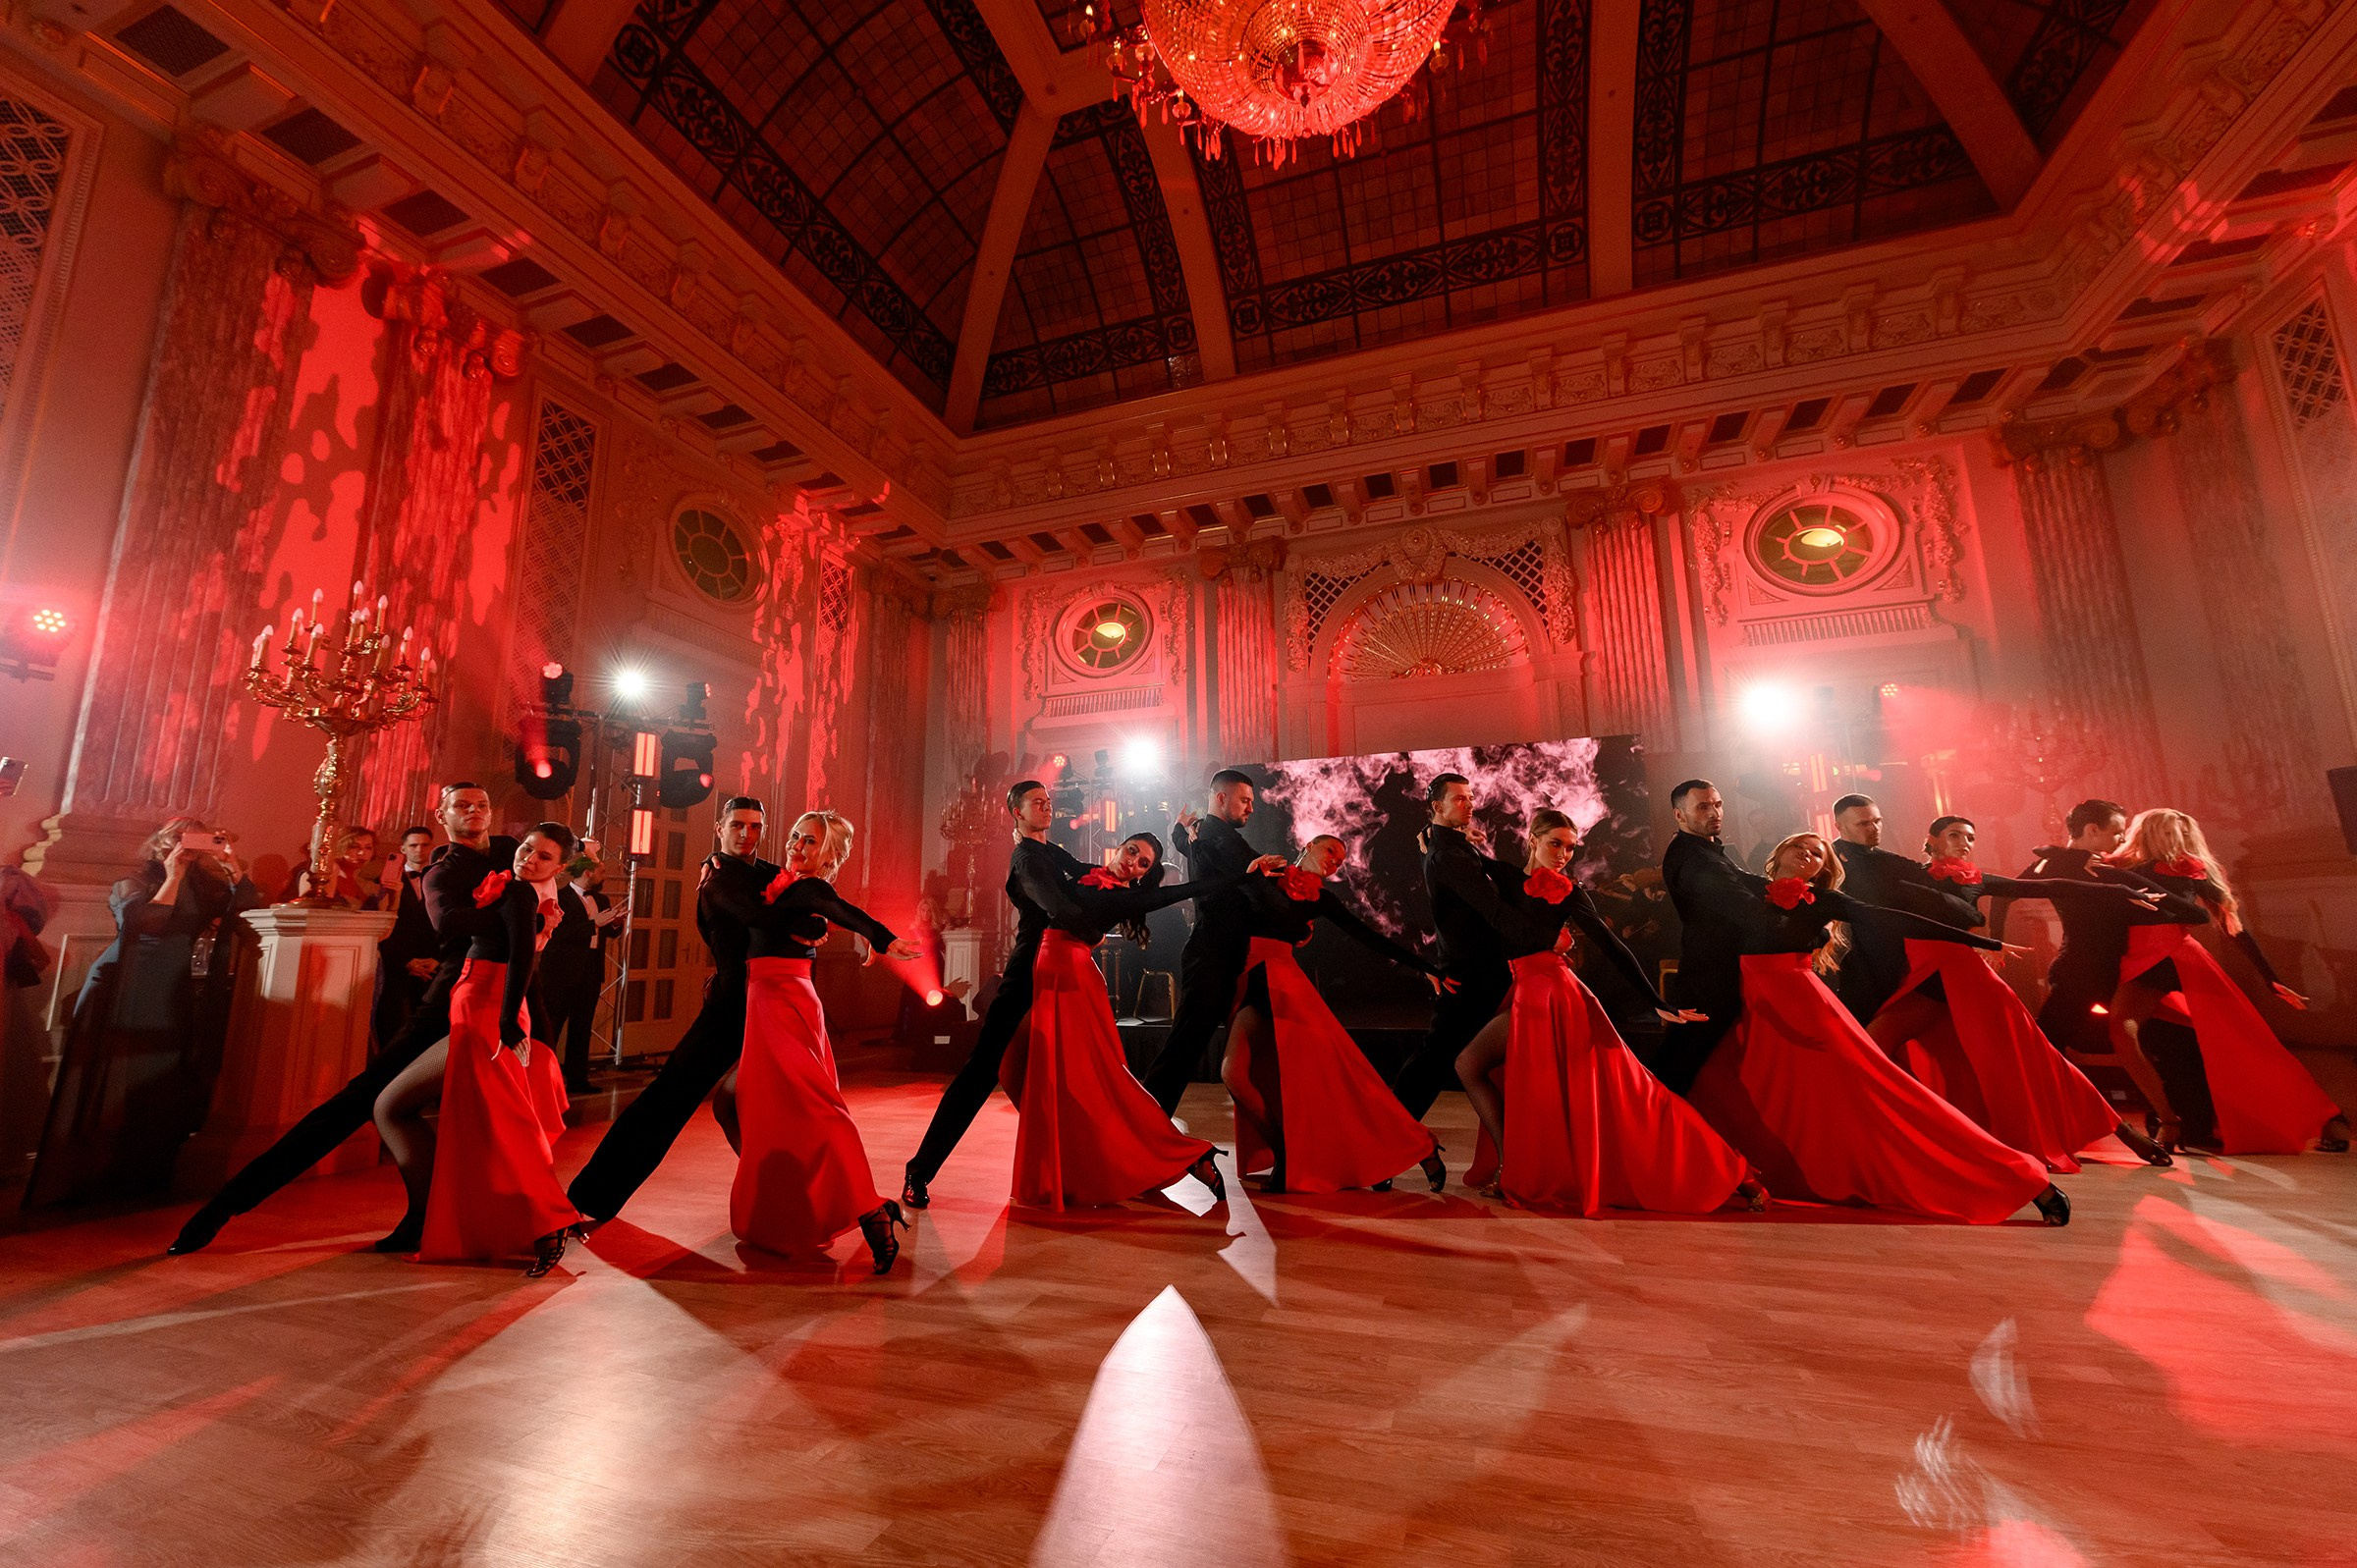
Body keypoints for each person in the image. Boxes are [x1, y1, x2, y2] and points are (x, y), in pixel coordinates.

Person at [169, 784, 517, 1255]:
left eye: (481, 805)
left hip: (511, 998)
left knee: (494, 1114)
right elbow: (452, 926)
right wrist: (525, 917)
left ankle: (481, 1219)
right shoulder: (443, 870)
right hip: (454, 995)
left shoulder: (512, 853)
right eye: (462, 805)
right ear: (443, 815)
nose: (474, 811)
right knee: (362, 1100)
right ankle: (224, 1208)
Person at [1682, 832, 2069, 1225]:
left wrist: (1982, 943)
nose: (1807, 854)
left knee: (1888, 1100)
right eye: (1800, 846)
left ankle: (2024, 1180)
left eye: (1817, 853)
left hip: (1809, 1016)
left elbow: (1894, 918)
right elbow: (1704, 875)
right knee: (1723, 1095)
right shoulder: (1747, 889)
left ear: (1822, 869)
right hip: (1758, 1015)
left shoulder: (1823, 900)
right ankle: (1750, 1179)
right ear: (1780, 851)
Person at [1453, 809, 1762, 1216]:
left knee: (1627, 1092)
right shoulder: (1508, 878)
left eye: (1570, 847)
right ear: (1533, 840)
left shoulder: (1570, 892)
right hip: (1529, 990)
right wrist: (1441, 836)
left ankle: (1732, 1172)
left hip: (1552, 995)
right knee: (1477, 1067)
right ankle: (1513, 1166)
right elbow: (1461, 858)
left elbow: (1614, 946)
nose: (1563, 855)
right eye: (1555, 844)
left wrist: (1656, 1001)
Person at [1862, 814, 2173, 1169]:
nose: (1964, 843)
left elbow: (2050, 885)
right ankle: (1908, 1136)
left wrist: (2119, 890)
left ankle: (2125, 1133)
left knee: (2037, 1058)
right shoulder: (1908, 877)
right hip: (1927, 977)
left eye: (1970, 837)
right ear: (1931, 840)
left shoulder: (1976, 880)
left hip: (1968, 981)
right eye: (1955, 835)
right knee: (1875, 1047)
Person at [1003, 830, 1269, 1210]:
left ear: (1144, 874)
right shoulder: (1087, 871)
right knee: (1029, 1071)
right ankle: (1074, 1161)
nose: (1132, 863)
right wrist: (1024, 833)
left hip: (1072, 981)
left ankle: (1184, 1154)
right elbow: (1050, 853)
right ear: (1120, 847)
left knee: (1094, 1083)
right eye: (1132, 851)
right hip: (1048, 975)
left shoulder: (1126, 896)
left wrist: (1245, 874)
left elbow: (1187, 889)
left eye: (1143, 863)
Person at [567, 797, 782, 1227]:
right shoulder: (717, 878)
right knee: (668, 1098)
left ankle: (784, 1196)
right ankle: (591, 1195)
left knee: (769, 1102)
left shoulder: (768, 873)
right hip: (732, 1004)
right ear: (720, 828)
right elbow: (766, 920)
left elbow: (805, 900)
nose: (746, 834)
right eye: (737, 825)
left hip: (775, 1002)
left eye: (755, 826)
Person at [374, 824, 578, 1275]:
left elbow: (521, 959)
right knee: (477, 1121)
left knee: (504, 1123)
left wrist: (507, 1022)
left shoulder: (521, 893)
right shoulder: (516, 888)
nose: (529, 858)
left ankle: (552, 1222)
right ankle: (436, 1218)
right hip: (473, 1007)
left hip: (489, 1010)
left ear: (560, 867)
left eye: (543, 857)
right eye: (528, 848)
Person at [720, 810, 918, 1271]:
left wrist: (882, 939)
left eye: (810, 842)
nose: (797, 846)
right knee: (755, 1104)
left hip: (784, 1000)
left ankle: (870, 1208)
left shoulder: (811, 888)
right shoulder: (784, 883)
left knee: (814, 1105)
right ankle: (794, 1201)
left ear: (829, 855)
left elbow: (844, 911)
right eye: (795, 836)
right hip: (767, 998)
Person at [27, 819, 260, 1207]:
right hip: (121, 982)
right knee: (112, 1074)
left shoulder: (206, 887)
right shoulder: (133, 882)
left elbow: (248, 911)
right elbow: (148, 923)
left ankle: (142, 1176)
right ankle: (91, 1176)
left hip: (168, 989)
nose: (186, 846)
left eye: (196, 839)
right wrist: (174, 874)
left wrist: (232, 866)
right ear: (161, 843)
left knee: (158, 1076)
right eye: (179, 838)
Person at [2103, 809, 2348, 1154]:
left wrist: (2270, 979)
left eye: (2178, 832)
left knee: (2245, 1044)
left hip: (2178, 958)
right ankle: (2170, 1119)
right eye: (2168, 832)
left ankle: (2329, 1120)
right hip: (2141, 960)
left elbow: (2234, 928)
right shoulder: (2123, 869)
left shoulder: (2189, 869)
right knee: (2122, 1031)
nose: (2175, 838)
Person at [1224, 835, 1451, 1194]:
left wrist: (1425, 968)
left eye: (1340, 860)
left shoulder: (1321, 899)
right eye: (1330, 850)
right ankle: (1287, 1153)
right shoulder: (1266, 874)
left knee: (1347, 1082)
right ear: (1308, 846)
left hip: (1282, 986)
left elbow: (1368, 936)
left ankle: (1416, 1145)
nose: (1334, 861)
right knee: (1234, 1075)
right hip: (1251, 981)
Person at [902, 781, 1091, 1209]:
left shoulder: (1050, 852)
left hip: (1057, 971)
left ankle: (1074, 1166)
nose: (1047, 807)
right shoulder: (1026, 858)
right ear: (1017, 813)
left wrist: (1128, 874)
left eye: (1048, 801)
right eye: (1037, 803)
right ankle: (919, 1169)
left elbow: (1084, 872)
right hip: (1026, 974)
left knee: (1066, 1070)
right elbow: (1055, 905)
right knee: (980, 1074)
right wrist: (1092, 927)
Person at [1390, 773, 1516, 1118]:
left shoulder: (1443, 844)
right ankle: (1392, 1133)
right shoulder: (1446, 854)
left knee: (1444, 1056)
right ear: (1437, 806)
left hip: (1480, 969)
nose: (1470, 804)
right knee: (1436, 1057)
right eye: (1460, 798)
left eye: (1471, 797)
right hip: (1469, 974)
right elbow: (1492, 911)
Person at [1652, 780, 1781, 1095]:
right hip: (1708, 979)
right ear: (1680, 816)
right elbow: (1747, 910)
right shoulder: (1695, 860)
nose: (1714, 812)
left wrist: (1798, 891)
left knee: (1700, 1070)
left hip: (1715, 973)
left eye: (1718, 804)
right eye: (1703, 807)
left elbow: (1745, 881)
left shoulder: (1702, 849)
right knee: (1679, 1072)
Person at [1149, 769, 1264, 1114]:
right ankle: (1143, 1119)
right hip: (1212, 955)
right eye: (1245, 800)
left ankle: (1145, 1118)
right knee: (1185, 1045)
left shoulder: (1202, 834)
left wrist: (1178, 827)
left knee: (1187, 1044)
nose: (1251, 808)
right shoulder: (1221, 837)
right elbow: (1259, 880)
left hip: (1219, 953)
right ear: (1221, 798)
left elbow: (1184, 845)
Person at [527, 840, 604, 1097]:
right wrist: (594, 924)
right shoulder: (560, 896)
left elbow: (603, 934)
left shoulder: (601, 899)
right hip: (561, 971)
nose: (603, 876)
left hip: (590, 969)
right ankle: (540, 1078)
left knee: (582, 1026)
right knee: (552, 1025)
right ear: (587, 873)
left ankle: (578, 1079)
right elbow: (557, 933)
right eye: (601, 871)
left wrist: (613, 924)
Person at [373, 825, 439, 1057]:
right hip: (398, 967)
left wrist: (437, 959)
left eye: (425, 845)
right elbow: (383, 927)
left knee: (430, 1033)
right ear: (403, 849)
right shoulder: (386, 881)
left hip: (433, 967)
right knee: (396, 1031)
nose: (419, 850)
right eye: (413, 845)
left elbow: (447, 925)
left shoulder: (441, 880)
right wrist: (405, 961)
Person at [295, 828, 388, 908]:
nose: (362, 853)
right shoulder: (316, 875)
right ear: (339, 847)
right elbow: (314, 910)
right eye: (354, 847)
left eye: (368, 847)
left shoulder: (361, 883)